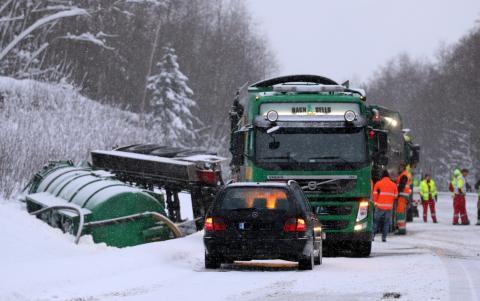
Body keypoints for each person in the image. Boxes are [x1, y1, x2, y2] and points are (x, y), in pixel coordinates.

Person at [372, 170, 398, 242]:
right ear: (388, 176)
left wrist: (375, 203)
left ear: (382, 176)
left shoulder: (378, 183)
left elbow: (374, 194)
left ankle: (372, 236)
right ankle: (384, 238)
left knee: (376, 222)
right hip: (389, 207)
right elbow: (396, 196)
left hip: (379, 206)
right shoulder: (393, 185)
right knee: (386, 223)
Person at [396, 164, 411, 233]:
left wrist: (397, 192)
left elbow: (402, 185)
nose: (399, 169)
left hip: (402, 195)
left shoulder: (404, 175)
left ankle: (401, 229)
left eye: (400, 168)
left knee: (400, 212)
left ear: (403, 168)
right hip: (404, 195)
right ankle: (402, 228)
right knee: (402, 212)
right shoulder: (404, 174)